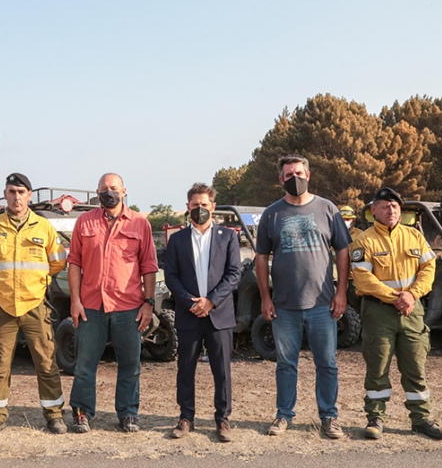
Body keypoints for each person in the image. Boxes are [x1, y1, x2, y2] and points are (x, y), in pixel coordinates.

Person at [255, 154, 351, 440]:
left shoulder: (328, 209)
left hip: (323, 304)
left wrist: (342, 291)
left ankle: (329, 417)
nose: (293, 178)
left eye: (298, 172)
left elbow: (342, 252)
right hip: (284, 306)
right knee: (286, 364)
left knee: (327, 363)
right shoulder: (272, 214)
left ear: (308, 175)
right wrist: (265, 297)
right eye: (287, 175)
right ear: (280, 179)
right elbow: (261, 258)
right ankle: (284, 415)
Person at [0, 173, 68, 435]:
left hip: (35, 304)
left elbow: (58, 261)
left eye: (21, 191)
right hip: (3, 306)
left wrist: (36, 280)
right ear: (5, 194)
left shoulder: (43, 227)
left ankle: (54, 415)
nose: (16, 196)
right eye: (12, 191)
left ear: (29, 195)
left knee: (46, 362)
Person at [349, 187, 442, 440]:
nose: (391, 210)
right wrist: (398, 298)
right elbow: (363, 279)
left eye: (395, 206)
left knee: (416, 368)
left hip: (412, 311)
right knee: (377, 368)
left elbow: (429, 267)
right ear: (373, 211)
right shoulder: (364, 240)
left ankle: (421, 420)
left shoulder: (414, 236)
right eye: (385, 206)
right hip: (378, 312)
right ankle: (375, 419)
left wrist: (412, 295)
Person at [68, 173, 158, 434]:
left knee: (130, 365)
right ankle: (82, 413)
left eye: (114, 188)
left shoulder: (140, 223)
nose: (109, 192)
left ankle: (128, 414)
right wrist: (75, 301)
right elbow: (74, 262)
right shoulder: (84, 222)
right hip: (91, 307)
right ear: (97, 193)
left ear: (124, 191)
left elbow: (149, 266)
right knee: (85, 364)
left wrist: (148, 303)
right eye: (104, 189)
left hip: (128, 307)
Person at [164, 183, 241, 442]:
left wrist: (211, 301)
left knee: (222, 370)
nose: (200, 209)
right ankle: (186, 417)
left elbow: (234, 274)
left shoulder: (228, 237)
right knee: (185, 368)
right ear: (188, 207)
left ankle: (223, 419)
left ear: (213, 206)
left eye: (204, 205)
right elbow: (171, 276)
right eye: (195, 205)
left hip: (219, 315)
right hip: (189, 315)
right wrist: (190, 303)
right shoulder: (177, 240)